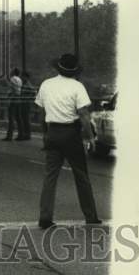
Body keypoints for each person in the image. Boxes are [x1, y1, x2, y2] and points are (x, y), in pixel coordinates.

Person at [34, 53, 102, 229]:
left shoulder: (46, 85)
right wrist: (90, 137)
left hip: (53, 133)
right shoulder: (77, 87)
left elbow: (41, 113)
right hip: (71, 134)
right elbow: (84, 115)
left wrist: (45, 133)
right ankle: (91, 216)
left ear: (58, 67)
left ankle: (45, 217)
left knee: (50, 177)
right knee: (81, 176)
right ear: (75, 71)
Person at [3, 67, 23, 140]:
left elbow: (11, 89)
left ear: (13, 72)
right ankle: (21, 134)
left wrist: (9, 99)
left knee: (11, 117)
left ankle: (9, 136)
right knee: (18, 117)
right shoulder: (20, 79)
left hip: (13, 98)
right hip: (19, 98)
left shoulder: (12, 79)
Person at [19, 71, 36, 141]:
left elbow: (33, 94)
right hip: (22, 104)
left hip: (26, 104)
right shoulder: (23, 84)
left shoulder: (28, 85)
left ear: (27, 77)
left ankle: (27, 135)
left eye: (23, 76)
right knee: (23, 119)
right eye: (22, 76)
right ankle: (24, 134)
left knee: (26, 119)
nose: (22, 78)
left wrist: (28, 99)